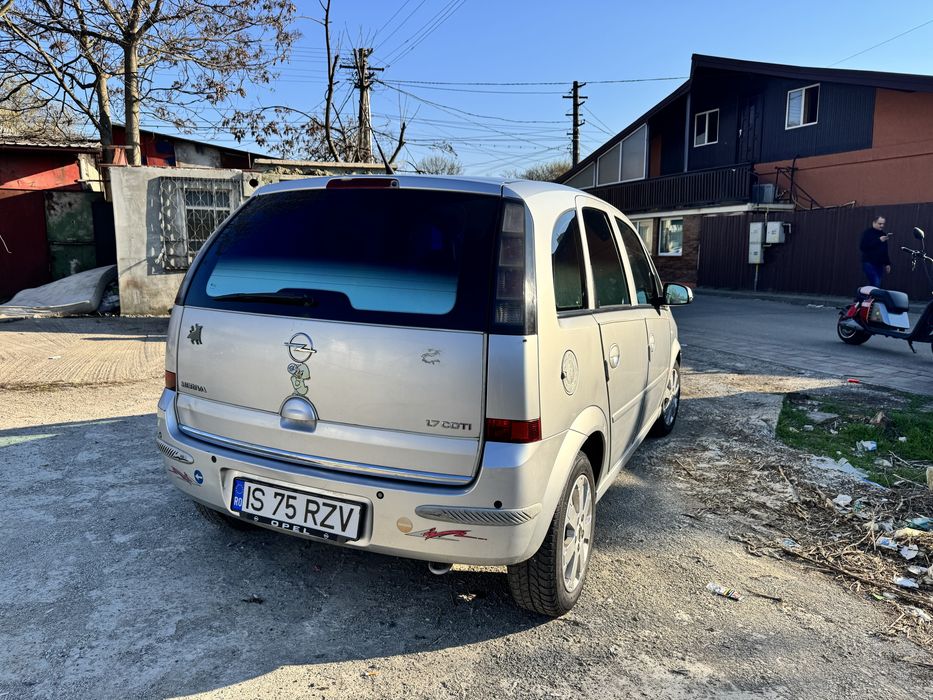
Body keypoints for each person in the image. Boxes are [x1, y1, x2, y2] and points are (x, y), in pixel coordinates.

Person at [859, 216, 892, 288]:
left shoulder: (883, 234)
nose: (882, 226)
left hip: (879, 264)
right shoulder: (867, 233)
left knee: (874, 284)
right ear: (874, 223)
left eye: (883, 224)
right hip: (869, 262)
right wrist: (879, 240)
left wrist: (887, 264)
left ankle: (862, 297)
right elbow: (863, 247)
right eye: (879, 224)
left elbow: (885, 250)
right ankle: (864, 297)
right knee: (876, 282)